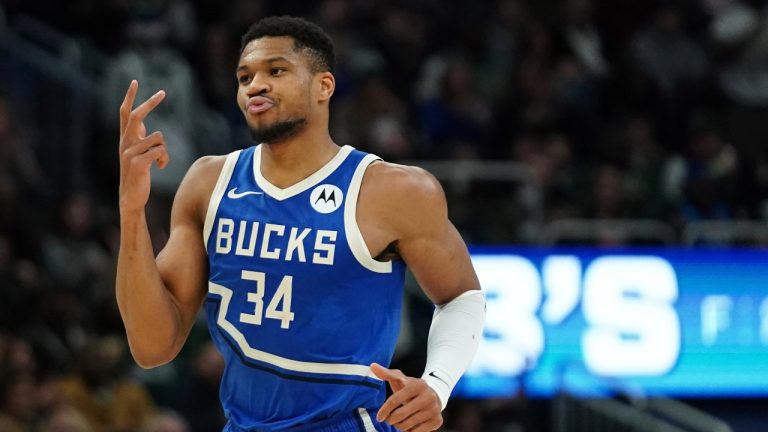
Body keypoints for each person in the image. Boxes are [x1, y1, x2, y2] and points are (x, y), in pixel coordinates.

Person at [116, 16, 485, 432]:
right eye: (244, 76)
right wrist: (132, 213)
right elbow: (152, 347)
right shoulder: (208, 183)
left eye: (276, 71)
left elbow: (461, 296)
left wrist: (437, 383)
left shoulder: (393, 190)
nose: (255, 85)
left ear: (323, 86)